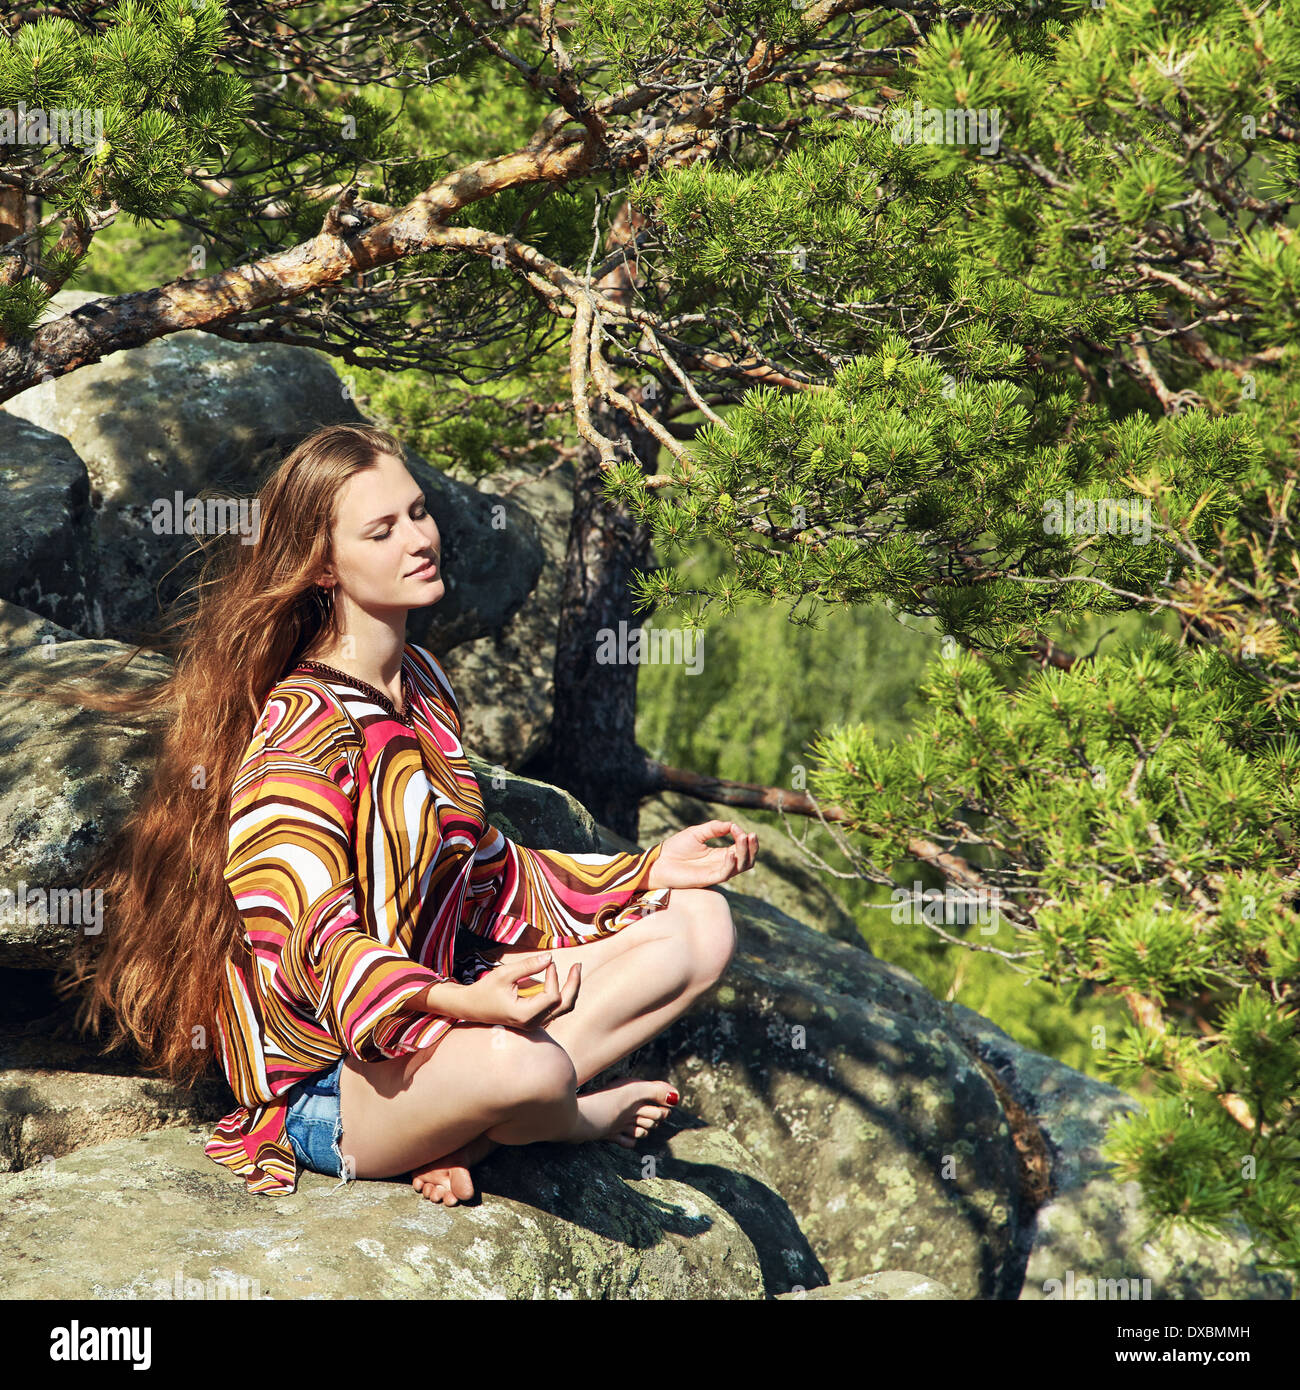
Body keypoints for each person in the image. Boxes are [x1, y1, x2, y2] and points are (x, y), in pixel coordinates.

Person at [47, 421, 756, 1206]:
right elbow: (310, 944)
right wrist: (463, 1004)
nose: (420, 539)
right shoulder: (299, 732)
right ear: (321, 564)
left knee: (700, 926)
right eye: (382, 530)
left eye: (418, 512)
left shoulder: (422, 682)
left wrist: (651, 869)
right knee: (531, 1066)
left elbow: (481, 869)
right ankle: (564, 1120)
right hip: (336, 1082)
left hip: (446, 1023)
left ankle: (475, 1131)